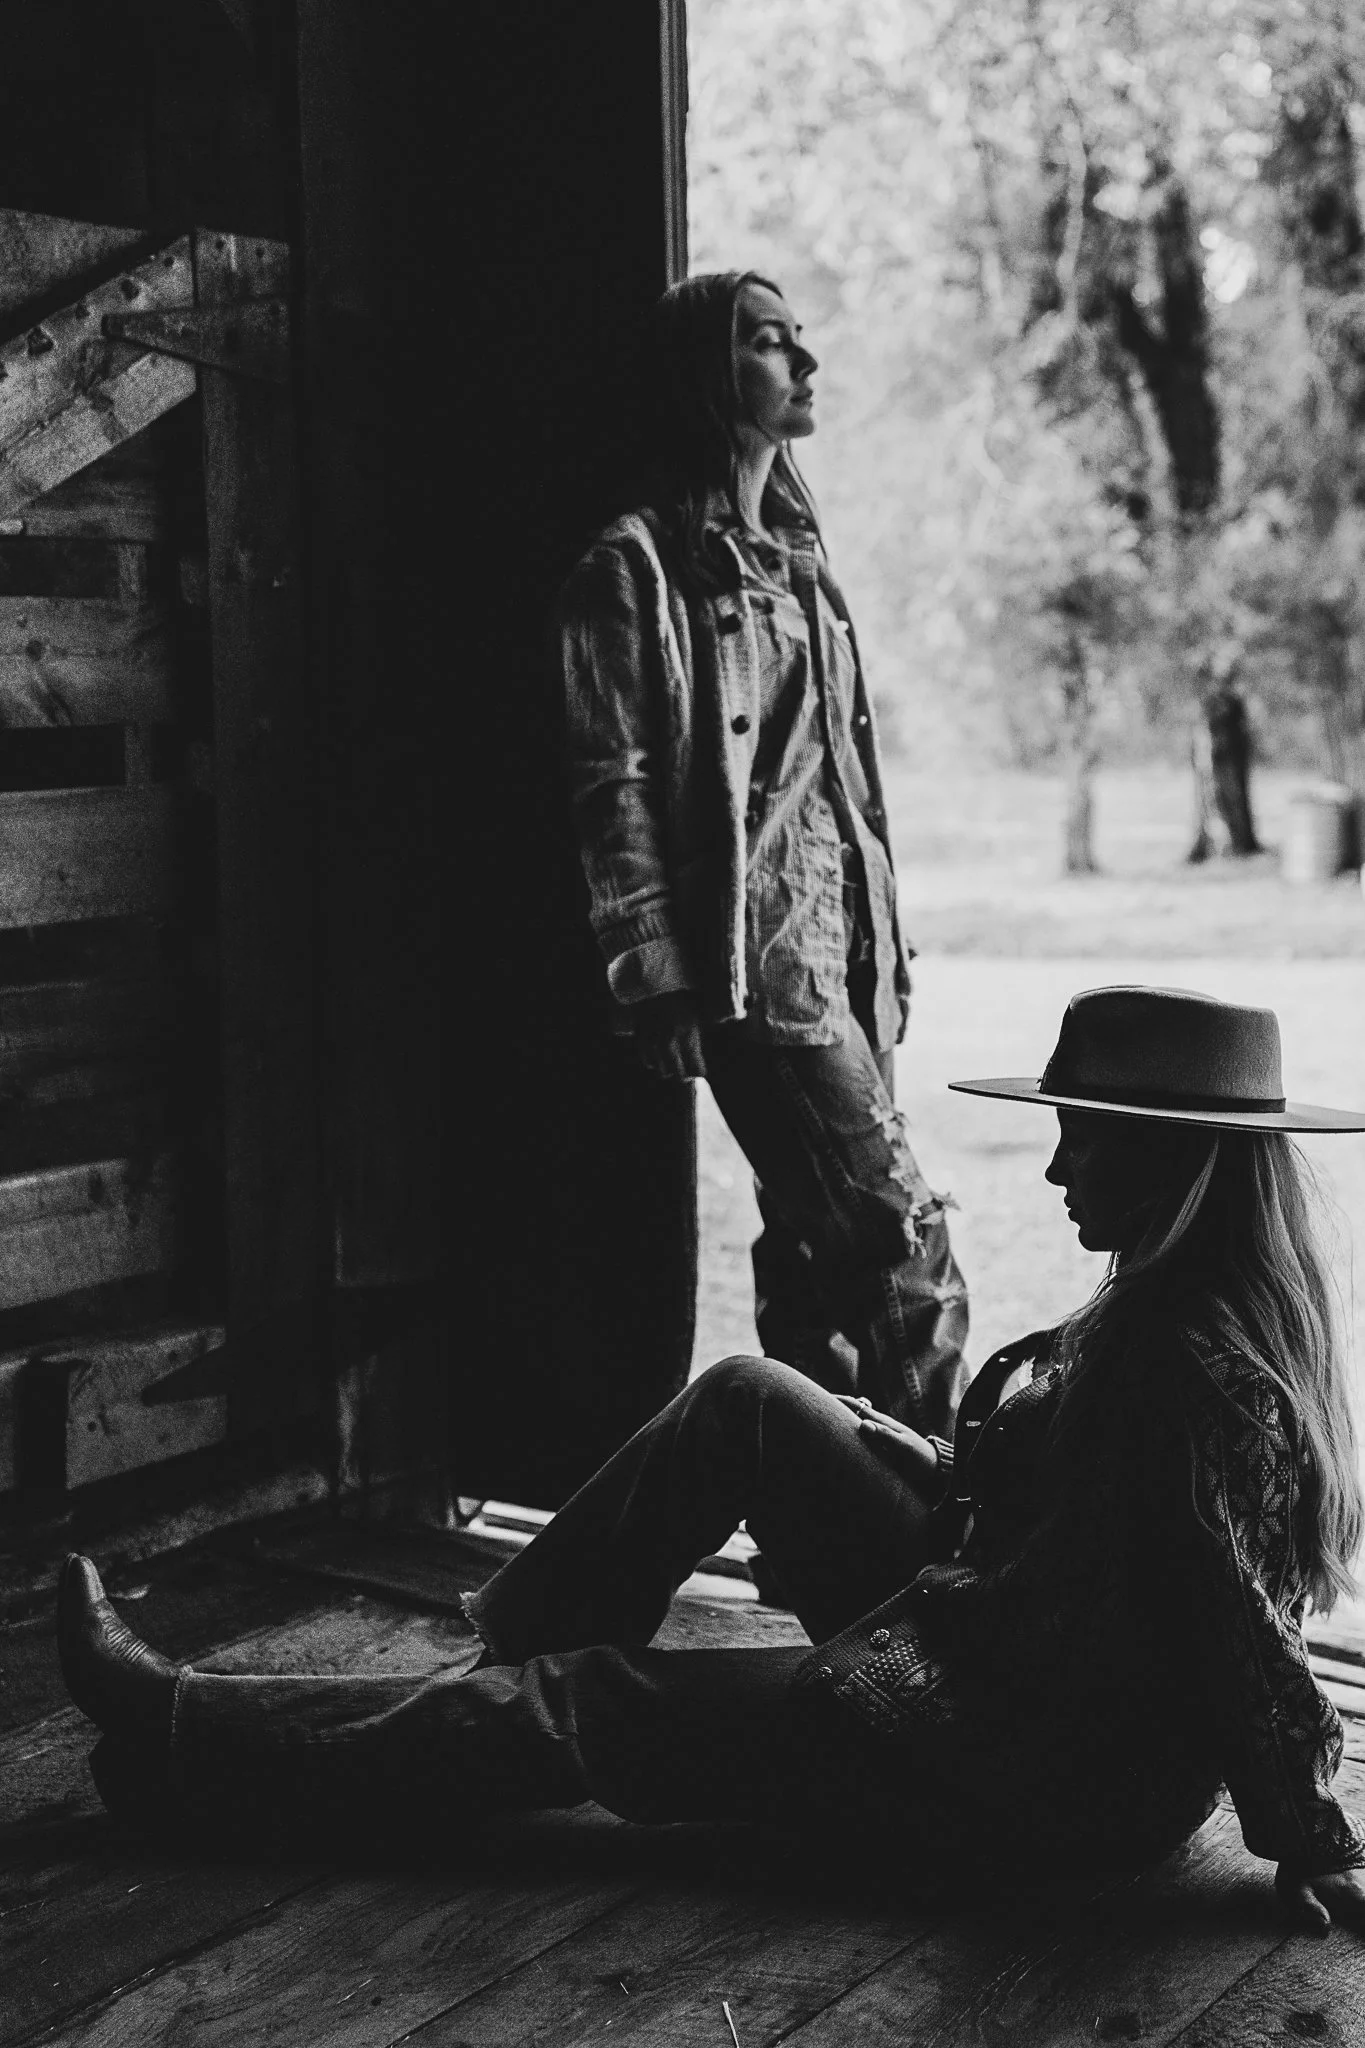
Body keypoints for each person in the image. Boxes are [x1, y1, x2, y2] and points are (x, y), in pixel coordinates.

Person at [58, 986, 1365, 1929]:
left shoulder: (1204, 1385)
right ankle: (459, 1684)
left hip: (1016, 1759)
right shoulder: (1158, 1299)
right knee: (748, 1397)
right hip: (1002, 1627)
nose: (1058, 1169)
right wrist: (907, 1459)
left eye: (1089, 1137)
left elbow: (1239, 1624)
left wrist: (1312, 1838)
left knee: (589, 1709)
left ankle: (192, 1728)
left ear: (1179, 1159)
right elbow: (1072, 1519)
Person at [558, 268, 967, 1435]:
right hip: (760, 973)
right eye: (771, 342)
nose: (806, 361)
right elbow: (613, 786)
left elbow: (834, 789)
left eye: (798, 338)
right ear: (704, 374)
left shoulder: (801, 563)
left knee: (811, 1260)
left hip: (849, 962)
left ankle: (816, 1551)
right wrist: (657, 976)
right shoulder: (630, 569)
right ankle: (936, 1554)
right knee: (905, 1248)